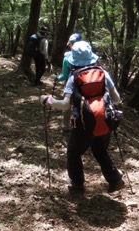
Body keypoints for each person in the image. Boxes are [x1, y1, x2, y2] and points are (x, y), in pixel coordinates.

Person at [40, 41, 124, 194]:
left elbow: (65, 105)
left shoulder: (74, 78)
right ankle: (115, 180)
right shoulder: (103, 73)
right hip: (105, 121)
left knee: (73, 153)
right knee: (100, 150)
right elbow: (117, 99)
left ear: (73, 60)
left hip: (83, 125)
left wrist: (49, 100)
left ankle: (77, 186)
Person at [55, 33, 82, 133]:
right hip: (85, 84)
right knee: (80, 105)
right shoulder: (88, 56)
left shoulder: (67, 58)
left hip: (70, 85)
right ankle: (80, 127)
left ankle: (65, 126)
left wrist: (56, 79)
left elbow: (64, 76)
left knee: (67, 105)